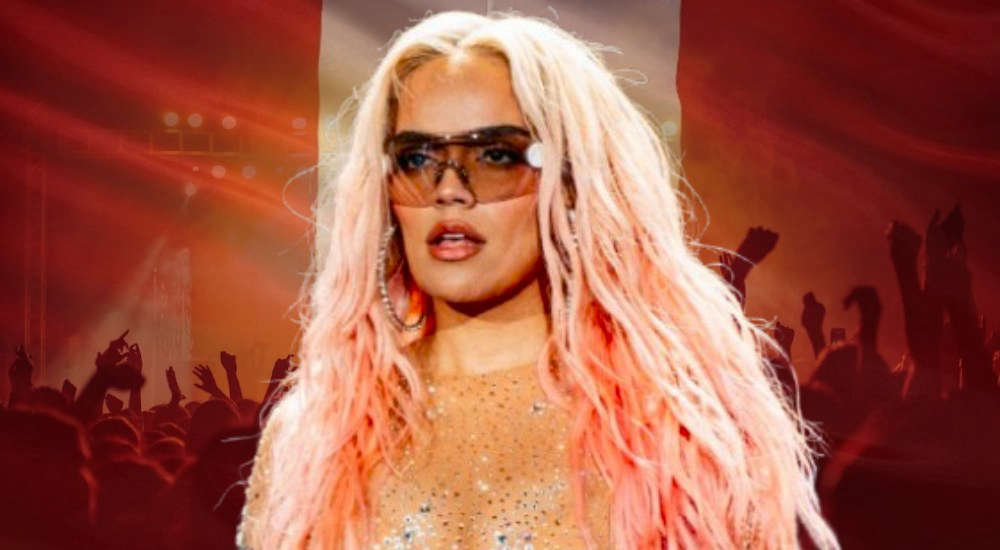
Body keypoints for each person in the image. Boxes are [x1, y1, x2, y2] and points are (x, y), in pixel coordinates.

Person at [236, 10, 839, 550]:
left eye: (495, 155)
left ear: (573, 182)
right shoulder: (313, 441)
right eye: (417, 159)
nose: (450, 189)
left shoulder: (682, 442)